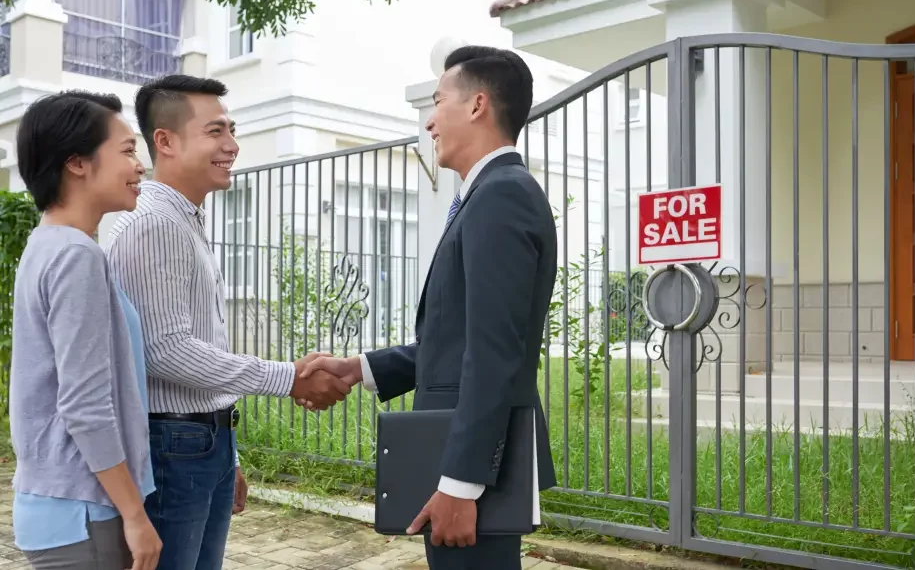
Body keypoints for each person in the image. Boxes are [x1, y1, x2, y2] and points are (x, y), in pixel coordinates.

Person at [300, 45, 558, 570]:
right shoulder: (484, 193)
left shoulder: (500, 196)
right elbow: (457, 341)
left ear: (477, 105)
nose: (431, 120)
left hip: (475, 473)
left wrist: (462, 485)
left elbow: (494, 354)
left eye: (438, 101)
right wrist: (360, 368)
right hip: (468, 464)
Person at [105, 75, 351, 570]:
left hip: (203, 443)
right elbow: (164, 349)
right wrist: (288, 377)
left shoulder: (184, 221)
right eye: (215, 131)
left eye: (231, 130)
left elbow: (197, 340)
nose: (232, 145)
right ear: (166, 141)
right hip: (174, 448)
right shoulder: (153, 224)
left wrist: (229, 456)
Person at [10, 91, 162, 569]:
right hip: (84, 511)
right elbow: (85, 405)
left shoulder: (47, 244)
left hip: (63, 506)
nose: (140, 166)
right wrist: (135, 516)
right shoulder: (76, 256)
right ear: (77, 163)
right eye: (127, 150)